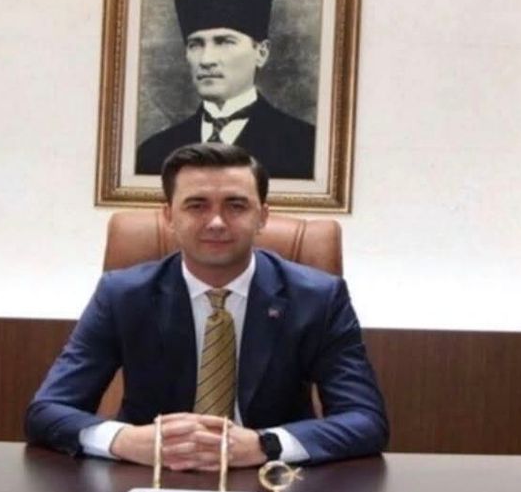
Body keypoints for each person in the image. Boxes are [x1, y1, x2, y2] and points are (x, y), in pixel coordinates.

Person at [26, 143, 387, 469]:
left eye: (236, 206)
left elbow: (366, 420)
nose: (216, 222)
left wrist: (266, 445)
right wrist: (125, 440)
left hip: (270, 482)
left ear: (262, 216)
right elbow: (47, 410)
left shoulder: (319, 298)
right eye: (197, 205)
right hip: (149, 480)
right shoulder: (122, 295)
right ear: (169, 216)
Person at [135, 0, 317, 180]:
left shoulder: (306, 147)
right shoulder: (154, 153)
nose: (206, 60)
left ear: (261, 53)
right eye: (196, 44)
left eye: (224, 42)